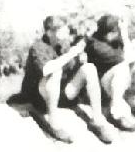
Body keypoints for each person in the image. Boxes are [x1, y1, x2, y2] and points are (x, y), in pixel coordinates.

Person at [20, 13, 104, 144]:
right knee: (55, 70)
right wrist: (71, 54)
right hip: (40, 98)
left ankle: (97, 120)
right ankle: (53, 124)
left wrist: (80, 60)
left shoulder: (63, 45)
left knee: (89, 68)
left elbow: (71, 68)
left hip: (60, 94)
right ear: (49, 32)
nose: (66, 33)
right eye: (61, 30)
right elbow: (46, 69)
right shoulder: (37, 47)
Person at [84, 11, 135, 130]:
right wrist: (126, 37)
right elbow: (125, 58)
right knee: (122, 67)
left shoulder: (112, 37)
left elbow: (134, 45)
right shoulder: (96, 45)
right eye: (115, 32)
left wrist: (126, 37)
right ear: (107, 33)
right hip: (103, 86)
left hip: (118, 81)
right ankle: (116, 112)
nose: (117, 34)